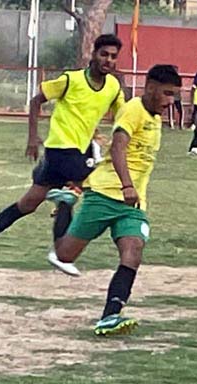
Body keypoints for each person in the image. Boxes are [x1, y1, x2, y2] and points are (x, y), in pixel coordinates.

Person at [0, 34, 125, 278]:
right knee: (86, 182)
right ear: (93, 53)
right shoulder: (71, 80)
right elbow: (36, 101)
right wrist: (31, 138)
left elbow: (124, 113)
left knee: (27, 204)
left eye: (113, 56)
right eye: (104, 54)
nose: (108, 60)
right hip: (60, 147)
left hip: (78, 150)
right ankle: (61, 249)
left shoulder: (112, 87)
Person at [52, 64, 182, 336]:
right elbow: (119, 148)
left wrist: (134, 192)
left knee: (133, 252)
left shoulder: (155, 117)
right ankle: (65, 203)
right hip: (105, 194)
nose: (171, 102)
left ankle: (110, 316)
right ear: (150, 88)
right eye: (167, 94)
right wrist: (126, 185)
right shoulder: (132, 110)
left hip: (132, 205)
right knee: (65, 254)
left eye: (174, 96)